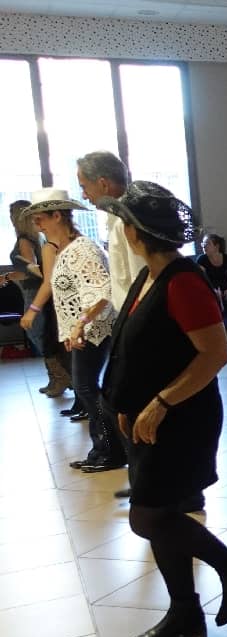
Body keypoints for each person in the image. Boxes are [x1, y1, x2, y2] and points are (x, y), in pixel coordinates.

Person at [96, 181, 227, 637]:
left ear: (136, 232)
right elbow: (139, 350)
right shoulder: (151, 275)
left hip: (181, 418)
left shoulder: (183, 280)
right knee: (161, 512)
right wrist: (129, 405)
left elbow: (214, 354)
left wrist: (161, 402)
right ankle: (185, 612)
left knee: (146, 517)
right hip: (151, 417)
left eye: (124, 222)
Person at [22, 189, 126, 471]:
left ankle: (111, 451)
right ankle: (103, 449)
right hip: (83, 331)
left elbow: (101, 292)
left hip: (94, 331)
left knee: (87, 388)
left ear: (58, 215)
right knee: (86, 388)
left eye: (41, 218)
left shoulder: (82, 250)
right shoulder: (66, 250)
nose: (38, 225)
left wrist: (80, 325)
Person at [9, 200, 72, 396]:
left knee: (39, 334)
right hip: (40, 290)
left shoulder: (25, 241)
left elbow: (34, 271)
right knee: (44, 334)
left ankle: (60, 377)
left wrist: (9, 276)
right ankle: (59, 377)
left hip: (34, 291)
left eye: (12, 214)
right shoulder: (39, 239)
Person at [76, 151, 142, 312]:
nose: (84, 196)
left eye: (84, 187)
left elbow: (140, 282)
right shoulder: (116, 219)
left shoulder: (125, 221)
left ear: (103, 184)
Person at [195, 233, 227, 337]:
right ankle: (218, 329)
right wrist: (213, 291)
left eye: (207, 244)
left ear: (217, 246)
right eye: (203, 244)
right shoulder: (202, 259)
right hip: (210, 290)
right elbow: (201, 280)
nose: (204, 246)